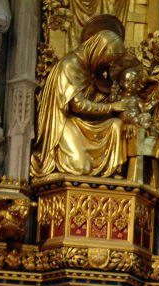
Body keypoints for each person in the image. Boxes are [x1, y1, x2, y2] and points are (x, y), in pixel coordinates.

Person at [29, 17, 135, 177]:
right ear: (100, 50)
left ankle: (114, 174)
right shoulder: (70, 65)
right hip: (65, 122)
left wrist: (112, 98)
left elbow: (94, 104)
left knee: (116, 125)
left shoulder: (92, 70)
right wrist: (112, 107)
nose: (109, 65)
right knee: (81, 168)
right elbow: (77, 105)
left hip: (84, 123)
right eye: (110, 60)